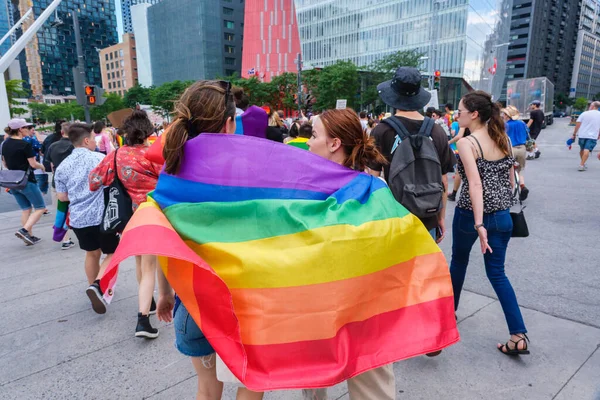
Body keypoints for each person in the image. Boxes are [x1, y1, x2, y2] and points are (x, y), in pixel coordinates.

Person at [155, 80, 264, 400]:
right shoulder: (253, 170)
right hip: (243, 305)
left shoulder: (172, 171)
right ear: (230, 123)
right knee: (251, 384)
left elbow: (165, 244)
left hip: (192, 306)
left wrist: (163, 294)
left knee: (207, 387)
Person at [304, 107, 394, 400]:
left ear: (334, 144)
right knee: (373, 386)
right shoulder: (377, 187)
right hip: (366, 306)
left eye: (313, 135)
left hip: (319, 303)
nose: (307, 142)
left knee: (315, 381)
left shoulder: (306, 192)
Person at [451, 90, 530, 356]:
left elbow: (474, 184)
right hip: (502, 215)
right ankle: (518, 335)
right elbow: (511, 179)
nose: (456, 114)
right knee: (498, 273)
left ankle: (450, 313)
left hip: (470, 214)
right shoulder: (503, 137)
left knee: (459, 261)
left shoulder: (468, 143)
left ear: (473, 114)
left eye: (460, 110)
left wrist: (478, 224)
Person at [90, 110, 163, 338]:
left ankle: (148, 301)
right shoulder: (154, 155)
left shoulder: (115, 155)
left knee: (141, 262)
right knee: (150, 265)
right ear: (148, 131)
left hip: (127, 218)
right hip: (152, 214)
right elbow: (171, 181)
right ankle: (143, 320)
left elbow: (94, 182)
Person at [369, 67, 455, 245]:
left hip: (395, 218)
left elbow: (373, 180)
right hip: (427, 216)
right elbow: (444, 182)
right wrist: (440, 219)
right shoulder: (437, 130)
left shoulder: (382, 130)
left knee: (394, 272)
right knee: (423, 271)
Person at [54, 123, 120, 314]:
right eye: (93, 138)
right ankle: (98, 286)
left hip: (79, 218)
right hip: (103, 217)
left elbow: (62, 197)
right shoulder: (101, 158)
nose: (94, 141)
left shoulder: (62, 166)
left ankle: (93, 287)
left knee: (91, 253)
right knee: (112, 253)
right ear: (86, 140)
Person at [1, 118, 46, 245]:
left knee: (26, 209)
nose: (28, 129)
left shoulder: (5, 143)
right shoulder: (25, 145)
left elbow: (4, 162)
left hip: (12, 181)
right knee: (40, 208)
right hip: (26, 181)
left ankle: (29, 237)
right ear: (20, 129)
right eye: (26, 127)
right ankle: (24, 230)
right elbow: (33, 164)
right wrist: (42, 167)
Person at [46, 121, 76, 250]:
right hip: (74, 183)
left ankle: (65, 239)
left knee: (61, 212)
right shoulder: (75, 146)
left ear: (62, 132)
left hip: (58, 183)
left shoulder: (53, 146)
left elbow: (51, 165)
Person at [502, 106, 530, 200]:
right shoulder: (522, 123)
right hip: (522, 148)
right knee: (519, 170)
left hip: (510, 149)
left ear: (507, 115)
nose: (503, 115)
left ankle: (510, 194)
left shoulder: (506, 125)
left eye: (504, 114)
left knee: (509, 172)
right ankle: (522, 186)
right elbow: (527, 134)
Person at [571, 101, 600, 171]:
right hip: (593, 136)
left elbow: (577, 124)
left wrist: (574, 134)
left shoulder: (584, 113)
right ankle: (582, 164)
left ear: (593, 106)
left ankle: (582, 163)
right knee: (587, 150)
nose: (589, 106)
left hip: (582, 135)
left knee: (582, 149)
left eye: (590, 105)